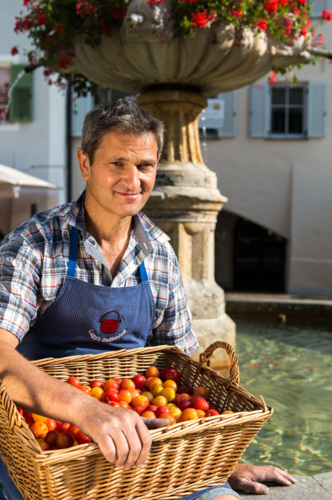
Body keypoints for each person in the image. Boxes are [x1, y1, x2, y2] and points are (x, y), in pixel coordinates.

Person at [0, 100, 295, 500]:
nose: (133, 179)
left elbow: (189, 371)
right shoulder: (34, 244)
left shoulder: (159, 253)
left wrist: (220, 462)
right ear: (85, 164)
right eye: (117, 163)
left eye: (144, 166)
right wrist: (85, 410)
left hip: (144, 443)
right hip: (46, 446)